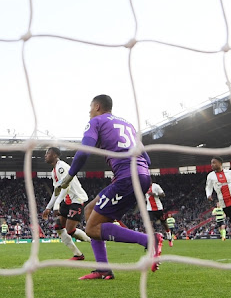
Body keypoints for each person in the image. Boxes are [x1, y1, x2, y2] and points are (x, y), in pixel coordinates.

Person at [59, 94, 162, 280]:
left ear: (97, 106)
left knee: (91, 229)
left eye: (90, 107)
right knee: (90, 210)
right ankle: (103, 269)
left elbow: (84, 152)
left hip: (127, 177)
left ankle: (149, 240)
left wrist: (69, 176)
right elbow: (147, 159)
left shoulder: (96, 121)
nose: (89, 112)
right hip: (140, 175)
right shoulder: (128, 124)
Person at [42, 147, 91, 261]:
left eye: (48, 153)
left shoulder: (61, 167)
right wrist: (48, 208)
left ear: (55, 155)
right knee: (58, 227)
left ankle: (93, 241)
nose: (45, 155)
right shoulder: (54, 171)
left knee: (70, 230)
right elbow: (57, 191)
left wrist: (56, 205)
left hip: (76, 199)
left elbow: (66, 186)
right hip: (67, 200)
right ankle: (78, 254)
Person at [145, 183, 173, 247]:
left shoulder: (156, 186)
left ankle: (169, 238)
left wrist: (155, 194)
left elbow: (163, 194)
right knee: (149, 224)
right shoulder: (144, 186)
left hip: (158, 208)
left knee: (164, 224)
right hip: (149, 209)